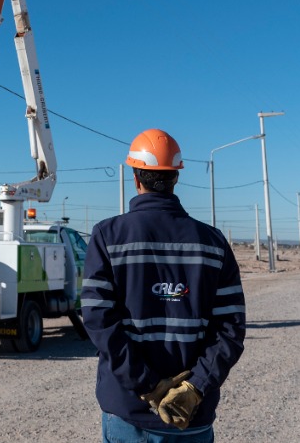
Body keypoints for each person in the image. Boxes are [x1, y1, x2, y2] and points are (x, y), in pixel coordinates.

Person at [81, 128, 247, 442]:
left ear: (135, 177)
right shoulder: (213, 244)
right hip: (191, 416)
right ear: (175, 178)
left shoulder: (107, 237)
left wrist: (148, 386)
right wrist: (194, 387)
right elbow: (230, 328)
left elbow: (99, 322)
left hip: (128, 413)